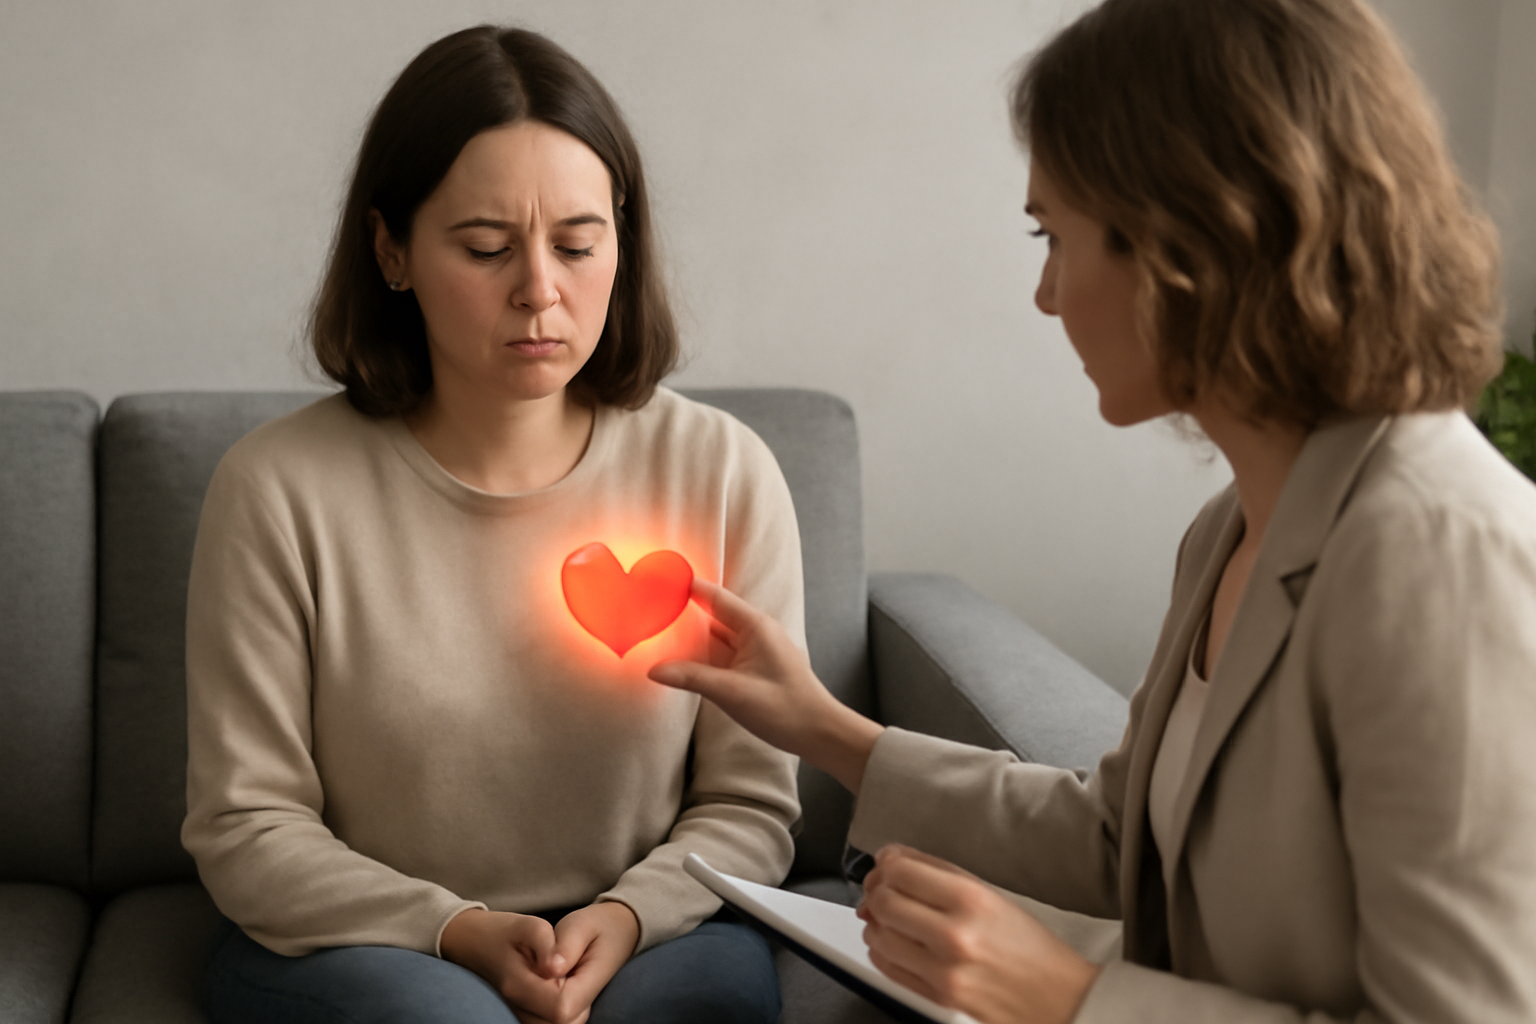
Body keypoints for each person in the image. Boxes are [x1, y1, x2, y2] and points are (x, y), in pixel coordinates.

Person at [649, 0, 1536, 1021]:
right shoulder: (1233, 528)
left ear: (1190, 239)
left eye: (1053, 235)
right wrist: (822, 727)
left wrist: (1070, 997)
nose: (1046, 293)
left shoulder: (1443, 561)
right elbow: (1123, 839)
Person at [181, 25, 802, 1024]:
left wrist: (629, 915)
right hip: (367, 939)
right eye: (485, 249)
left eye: (577, 245)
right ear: (391, 250)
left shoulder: (722, 472)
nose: (540, 291)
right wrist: (458, 928)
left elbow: (751, 802)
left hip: (651, 926)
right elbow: (247, 823)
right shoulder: (275, 489)